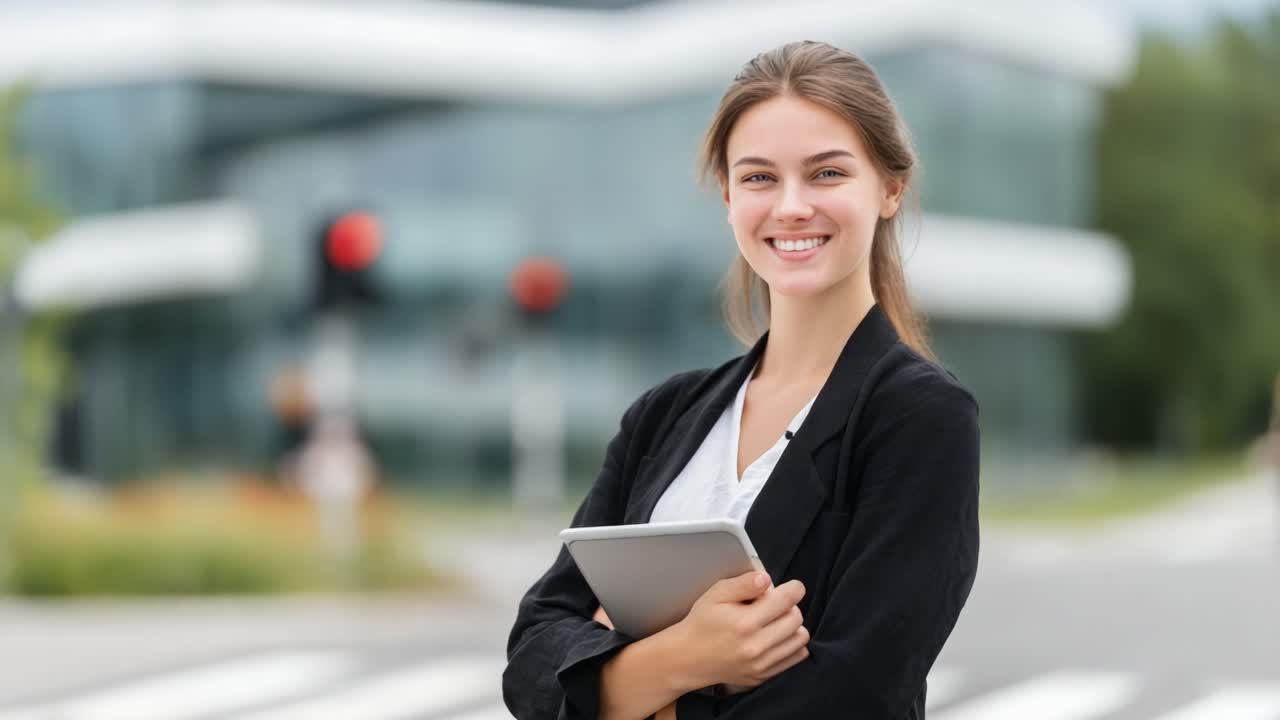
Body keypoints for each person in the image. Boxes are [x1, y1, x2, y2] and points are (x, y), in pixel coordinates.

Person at [503, 41, 980, 719]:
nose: (790, 206)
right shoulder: (662, 417)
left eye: (826, 174)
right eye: (759, 178)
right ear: (727, 196)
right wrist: (691, 657)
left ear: (889, 187)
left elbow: (857, 690)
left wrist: (622, 676)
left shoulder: (919, 417)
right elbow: (532, 657)